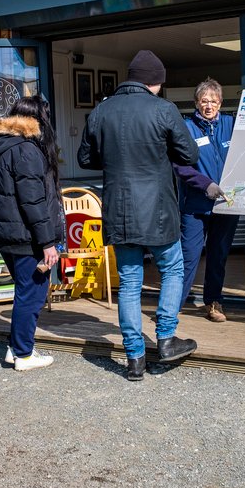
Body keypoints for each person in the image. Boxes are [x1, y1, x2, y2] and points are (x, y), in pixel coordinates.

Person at [78, 50, 200, 381]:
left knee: (130, 281)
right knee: (173, 267)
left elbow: (85, 158)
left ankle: (134, 358)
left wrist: (117, 158)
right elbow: (190, 154)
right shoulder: (164, 109)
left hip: (118, 209)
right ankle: (166, 337)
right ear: (154, 81)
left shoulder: (102, 110)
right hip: (158, 208)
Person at [0, 96, 65, 371]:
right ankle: (24, 354)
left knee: (25, 291)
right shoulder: (26, 150)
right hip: (28, 237)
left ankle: (17, 349)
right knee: (33, 293)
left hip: (7, 236)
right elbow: (33, 202)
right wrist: (48, 242)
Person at [174, 78, 245, 322]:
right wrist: (206, 185)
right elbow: (180, 166)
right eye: (204, 101)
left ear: (220, 103)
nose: (209, 106)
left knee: (218, 256)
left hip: (226, 204)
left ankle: (213, 303)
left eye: (214, 101)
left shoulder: (231, 123)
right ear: (197, 103)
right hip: (196, 205)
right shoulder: (186, 128)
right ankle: (172, 308)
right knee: (189, 257)